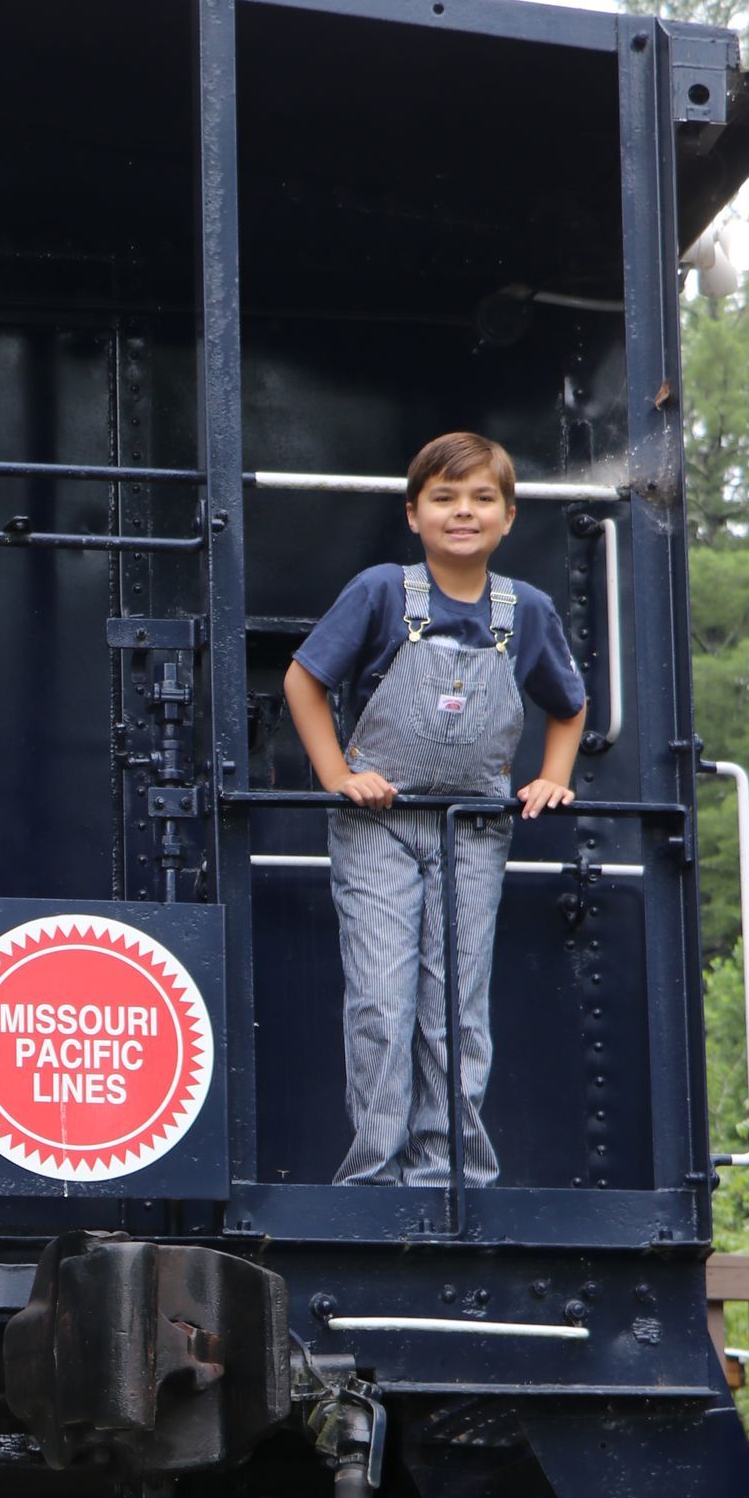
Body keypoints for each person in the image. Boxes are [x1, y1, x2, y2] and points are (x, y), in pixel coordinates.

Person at [282, 431, 588, 1187]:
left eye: (482, 498)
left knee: (457, 1010)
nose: (464, 512)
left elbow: (570, 706)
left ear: (509, 517)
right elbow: (303, 681)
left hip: (473, 833)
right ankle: (374, 1178)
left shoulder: (528, 610)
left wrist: (552, 778)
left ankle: (452, 1173)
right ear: (414, 513)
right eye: (445, 498)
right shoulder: (383, 591)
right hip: (378, 828)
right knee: (381, 1005)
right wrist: (337, 774)